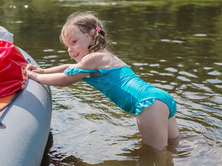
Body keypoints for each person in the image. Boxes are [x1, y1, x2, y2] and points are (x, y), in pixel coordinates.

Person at [27, 11, 179, 150]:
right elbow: (69, 67)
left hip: (147, 105)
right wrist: (44, 71)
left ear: (93, 36)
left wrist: (37, 77)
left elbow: (67, 79)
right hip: (160, 97)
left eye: (73, 42)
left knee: (156, 153)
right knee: (175, 146)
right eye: (67, 46)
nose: (70, 49)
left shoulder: (93, 58)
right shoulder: (103, 56)